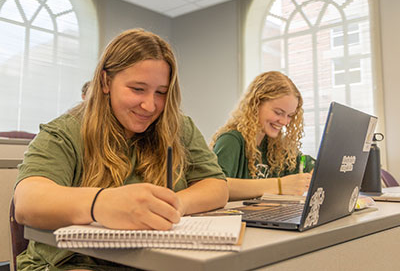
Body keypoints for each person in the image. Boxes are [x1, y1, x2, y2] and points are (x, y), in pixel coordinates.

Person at [14, 28, 228, 271]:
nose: (150, 105)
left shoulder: (177, 126)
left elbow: (216, 185)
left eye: (161, 92)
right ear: (106, 82)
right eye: (137, 89)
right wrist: (101, 204)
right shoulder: (65, 132)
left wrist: (175, 204)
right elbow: (27, 202)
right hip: (72, 263)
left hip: (155, 261)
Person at [210, 71, 314, 201]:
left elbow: (310, 167)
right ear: (256, 104)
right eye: (278, 112)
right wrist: (280, 185)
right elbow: (215, 186)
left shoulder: (277, 146)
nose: (284, 121)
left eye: (289, 115)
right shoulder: (231, 140)